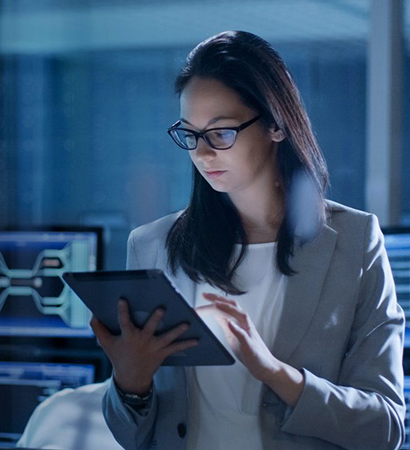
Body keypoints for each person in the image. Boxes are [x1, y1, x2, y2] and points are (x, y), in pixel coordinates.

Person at [89, 30, 406, 450]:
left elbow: (384, 428)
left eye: (221, 133)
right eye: (190, 134)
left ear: (276, 124)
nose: (202, 154)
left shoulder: (353, 242)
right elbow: (131, 437)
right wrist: (130, 383)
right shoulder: (152, 245)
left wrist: (275, 372)